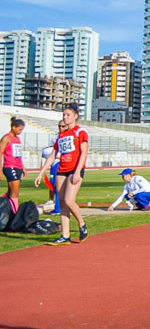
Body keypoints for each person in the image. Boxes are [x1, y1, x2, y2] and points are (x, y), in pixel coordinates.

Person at [35, 104, 89, 244]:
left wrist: (78, 171)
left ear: (75, 116)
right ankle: (65, 235)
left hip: (74, 169)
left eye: (68, 115)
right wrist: (41, 173)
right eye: (63, 115)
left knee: (69, 200)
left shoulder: (80, 132)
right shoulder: (61, 135)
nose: (65, 117)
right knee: (63, 202)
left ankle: (82, 224)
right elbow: (52, 155)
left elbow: (84, 152)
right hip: (61, 170)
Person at [1, 117, 26, 212]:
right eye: (20, 129)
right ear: (13, 127)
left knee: (10, 192)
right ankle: (15, 213)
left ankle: (4, 205)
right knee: (15, 193)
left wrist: (23, 168)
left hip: (18, 166)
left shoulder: (18, 139)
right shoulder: (6, 138)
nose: (21, 131)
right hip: (10, 166)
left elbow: (18, 155)